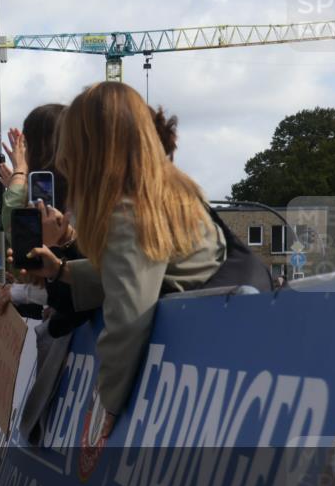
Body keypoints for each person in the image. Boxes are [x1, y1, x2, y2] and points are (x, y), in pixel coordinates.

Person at [21, 81, 247, 434]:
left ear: (90, 150)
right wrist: (64, 271)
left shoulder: (128, 213)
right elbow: (136, 274)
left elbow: (129, 313)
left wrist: (106, 405)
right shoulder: (165, 189)